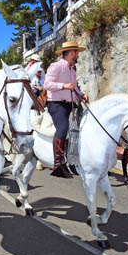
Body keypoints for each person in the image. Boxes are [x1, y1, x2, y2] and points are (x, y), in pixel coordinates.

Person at [43, 41, 89, 179]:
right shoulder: (55, 66)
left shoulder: (72, 69)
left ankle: (77, 160)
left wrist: (82, 95)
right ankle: (58, 164)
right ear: (72, 53)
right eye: (77, 52)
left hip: (71, 104)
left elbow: (74, 88)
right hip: (56, 104)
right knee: (63, 128)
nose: (78, 55)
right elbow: (47, 84)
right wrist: (63, 85)